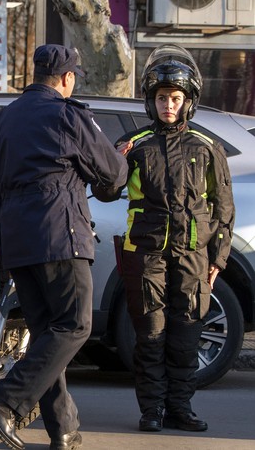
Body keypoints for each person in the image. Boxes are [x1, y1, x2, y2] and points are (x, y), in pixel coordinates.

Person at [0, 44, 128, 450]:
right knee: (76, 325)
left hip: (17, 241)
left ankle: (63, 429)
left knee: (48, 335)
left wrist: (4, 240)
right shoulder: (68, 114)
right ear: (67, 78)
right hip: (60, 235)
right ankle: (3, 400)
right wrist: (117, 159)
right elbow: (111, 174)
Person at [95, 44, 234, 433]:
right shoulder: (135, 144)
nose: (168, 105)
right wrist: (116, 163)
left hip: (192, 255)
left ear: (187, 102)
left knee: (186, 335)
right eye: (161, 98)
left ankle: (180, 409)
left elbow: (224, 210)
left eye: (175, 98)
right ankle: (151, 411)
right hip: (146, 253)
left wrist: (217, 260)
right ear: (151, 101)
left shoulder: (207, 148)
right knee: (151, 336)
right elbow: (105, 192)